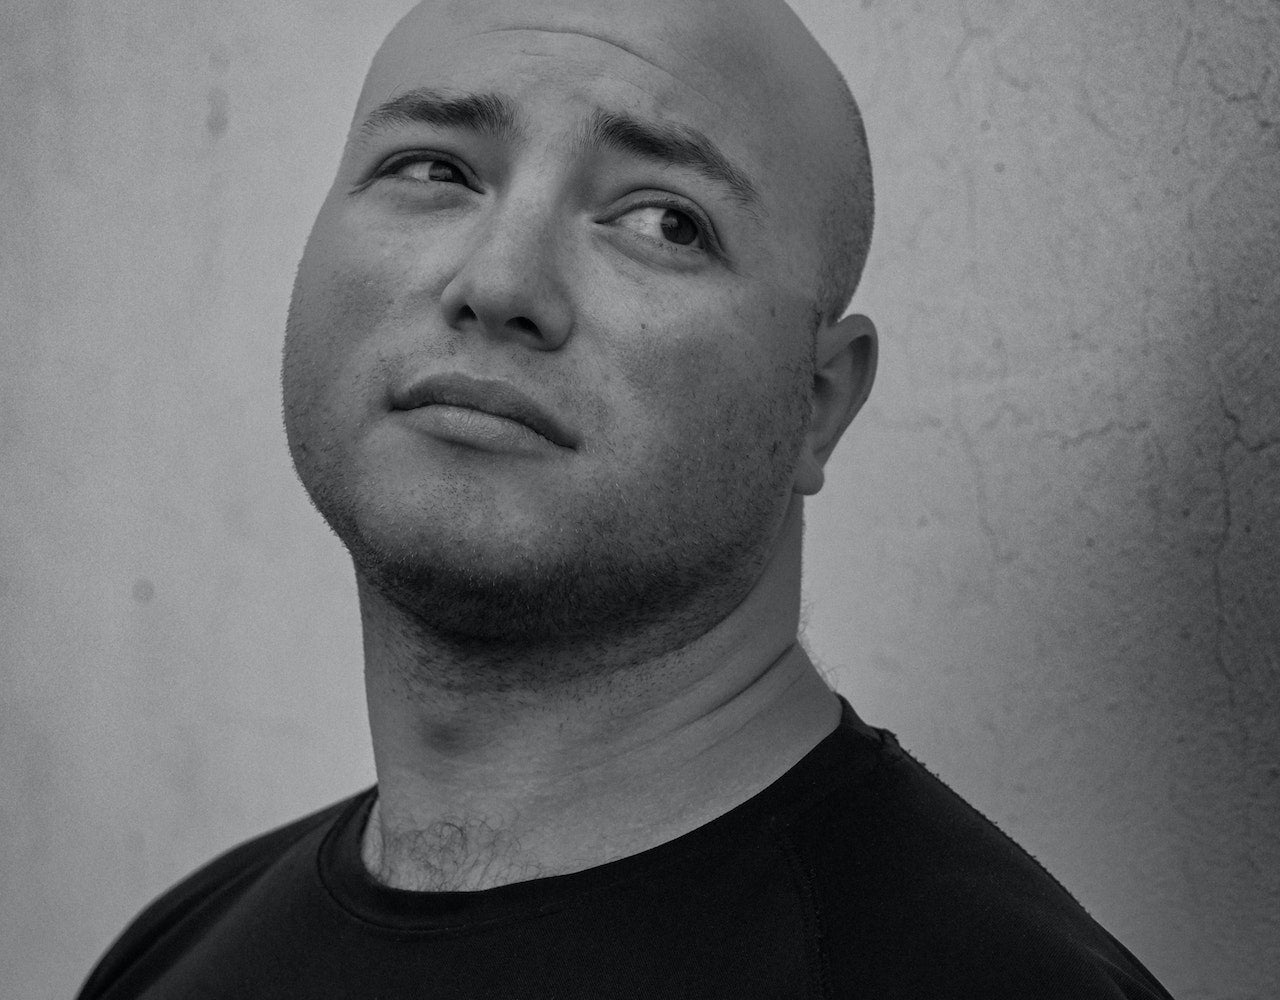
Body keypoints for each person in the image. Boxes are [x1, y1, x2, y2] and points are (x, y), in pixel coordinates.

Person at [77, 0, 1175, 996]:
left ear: (816, 402)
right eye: (435, 169)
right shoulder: (174, 953)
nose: (500, 283)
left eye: (663, 222)